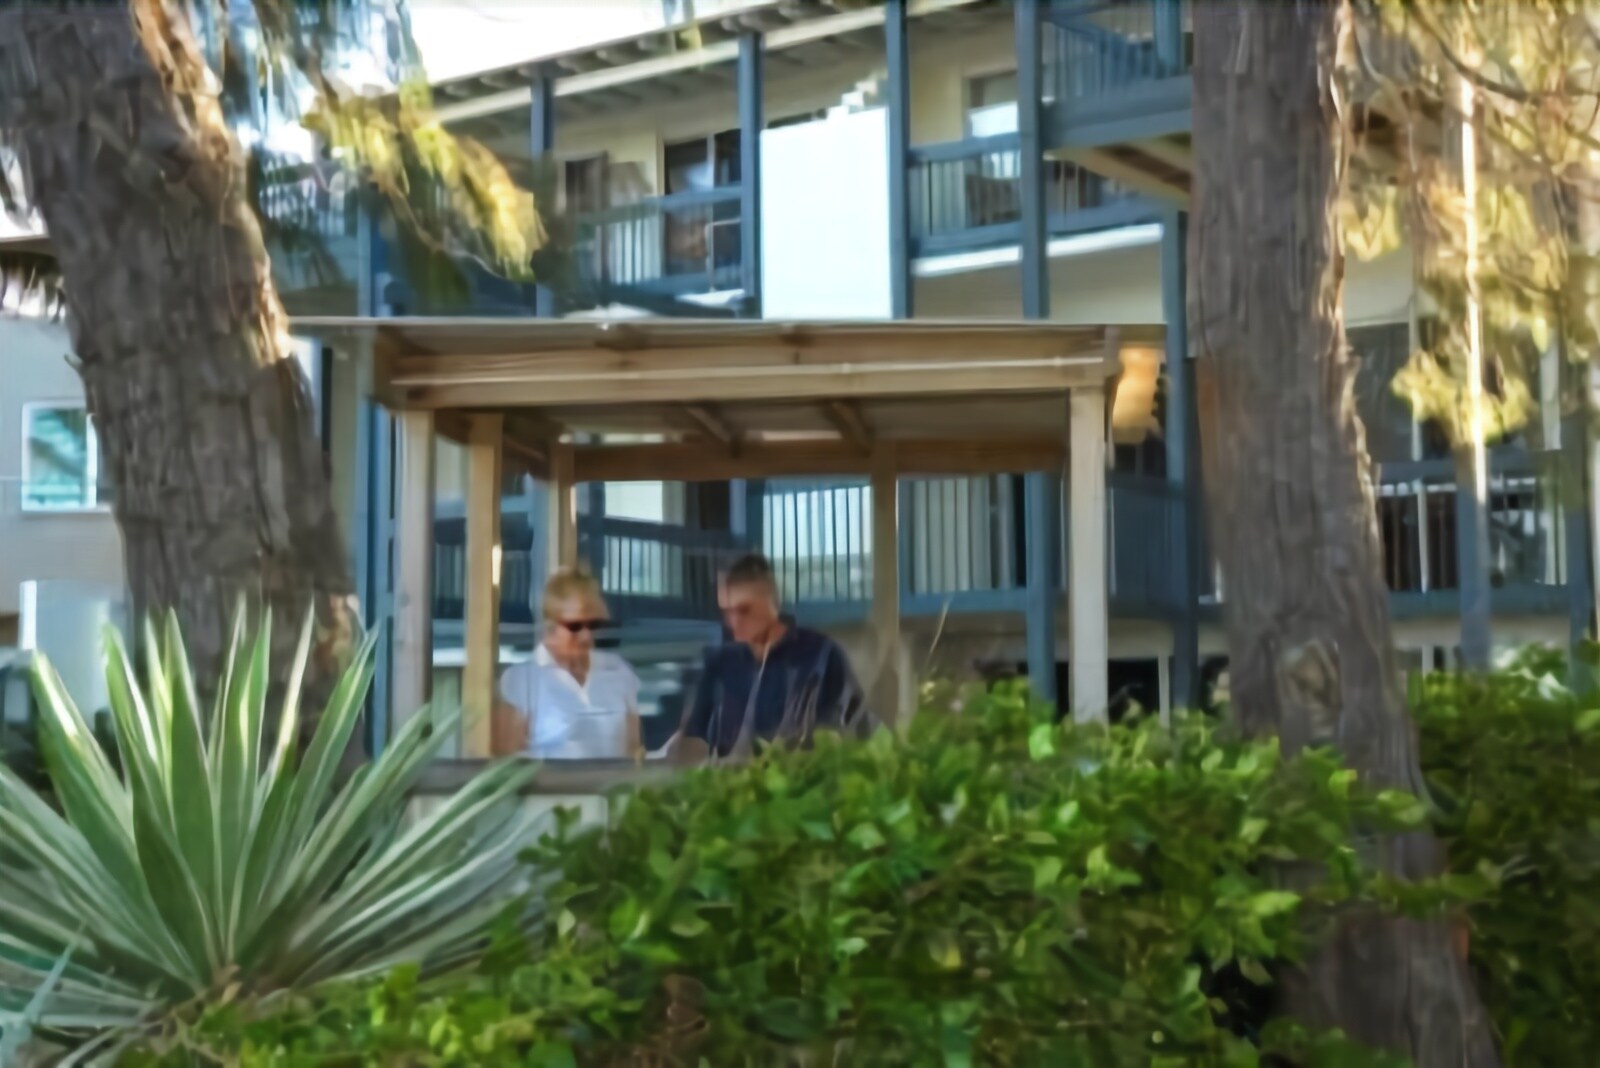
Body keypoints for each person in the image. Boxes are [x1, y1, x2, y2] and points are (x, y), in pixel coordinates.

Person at [678, 553, 868, 759]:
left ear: (771, 601)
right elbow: (693, 738)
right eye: (727, 611)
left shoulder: (820, 656)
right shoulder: (718, 664)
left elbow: (859, 730)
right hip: (732, 785)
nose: (734, 622)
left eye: (744, 610)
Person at [493, 568, 642, 760]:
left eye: (593, 626)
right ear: (550, 625)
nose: (586, 636)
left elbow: (634, 750)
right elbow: (505, 763)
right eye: (575, 627)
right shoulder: (522, 680)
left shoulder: (618, 670)